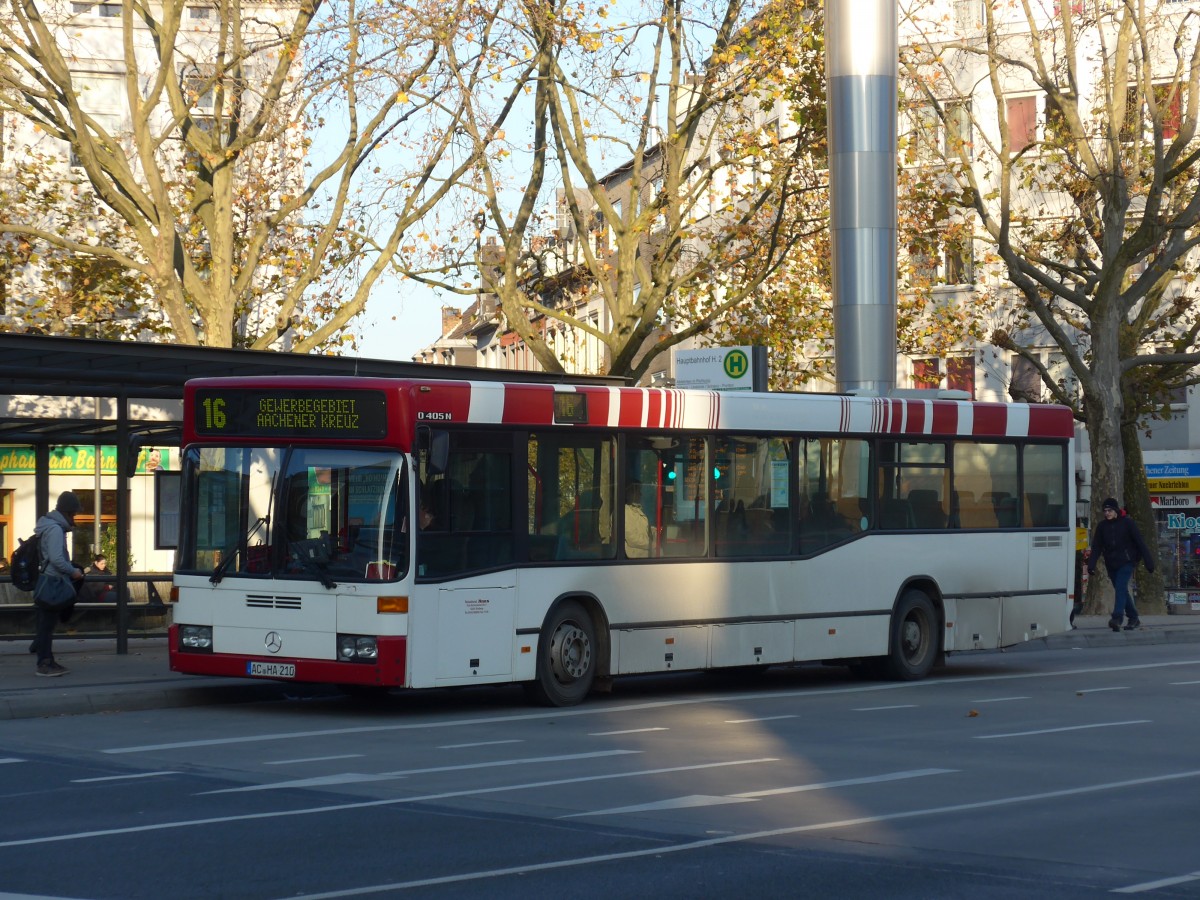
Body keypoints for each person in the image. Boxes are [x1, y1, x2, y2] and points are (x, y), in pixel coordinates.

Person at [32, 491, 85, 677]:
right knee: (47, 625)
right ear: (68, 512)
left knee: (46, 624)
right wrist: (73, 571)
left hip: (48, 581)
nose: (75, 517)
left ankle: (45, 655)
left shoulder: (49, 526)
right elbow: (56, 559)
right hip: (52, 583)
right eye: (74, 514)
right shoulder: (55, 529)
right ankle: (44, 663)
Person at [1086, 497, 1155, 632]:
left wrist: (1149, 562)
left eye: (1110, 510)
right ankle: (1133, 618)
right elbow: (1097, 547)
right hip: (1111, 563)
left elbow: (1140, 542)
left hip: (1127, 561)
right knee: (1121, 590)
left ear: (1116, 510)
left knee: (1120, 586)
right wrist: (1091, 565)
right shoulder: (1102, 527)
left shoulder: (1128, 523)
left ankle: (1117, 618)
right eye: (1105, 511)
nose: (1107, 513)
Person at [624, 482, 651, 558]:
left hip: (644, 555)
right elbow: (632, 538)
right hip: (634, 558)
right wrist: (651, 544)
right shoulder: (625, 511)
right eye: (638, 491)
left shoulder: (638, 509)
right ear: (630, 494)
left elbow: (644, 529)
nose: (640, 494)